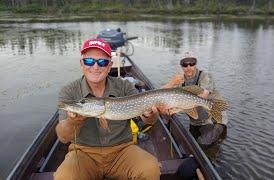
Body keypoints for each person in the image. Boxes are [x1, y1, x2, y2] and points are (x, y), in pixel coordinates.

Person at [54, 38, 161, 180]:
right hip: (84, 153)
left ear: (110, 65)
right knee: (64, 177)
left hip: (122, 150)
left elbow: (146, 119)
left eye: (102, 62)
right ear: (81, 64)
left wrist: (150, 115)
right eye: (89, 61)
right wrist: (75, 122)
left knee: (150, 168)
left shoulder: (125, 86)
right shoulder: (69, 92)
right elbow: (63, 137)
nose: (95, 67)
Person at [163, 51, 228, 147]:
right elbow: (161, 94)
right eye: (185, 64)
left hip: (214, 119)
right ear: (181, 66)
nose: (188, 67)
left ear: (196, 64)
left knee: (203, 144)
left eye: (191, 63)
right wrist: (172, 83)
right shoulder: (180, 81)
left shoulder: (205, 76)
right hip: (196, 121)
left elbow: (203, 95)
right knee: (190, 145)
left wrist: (179, 108)